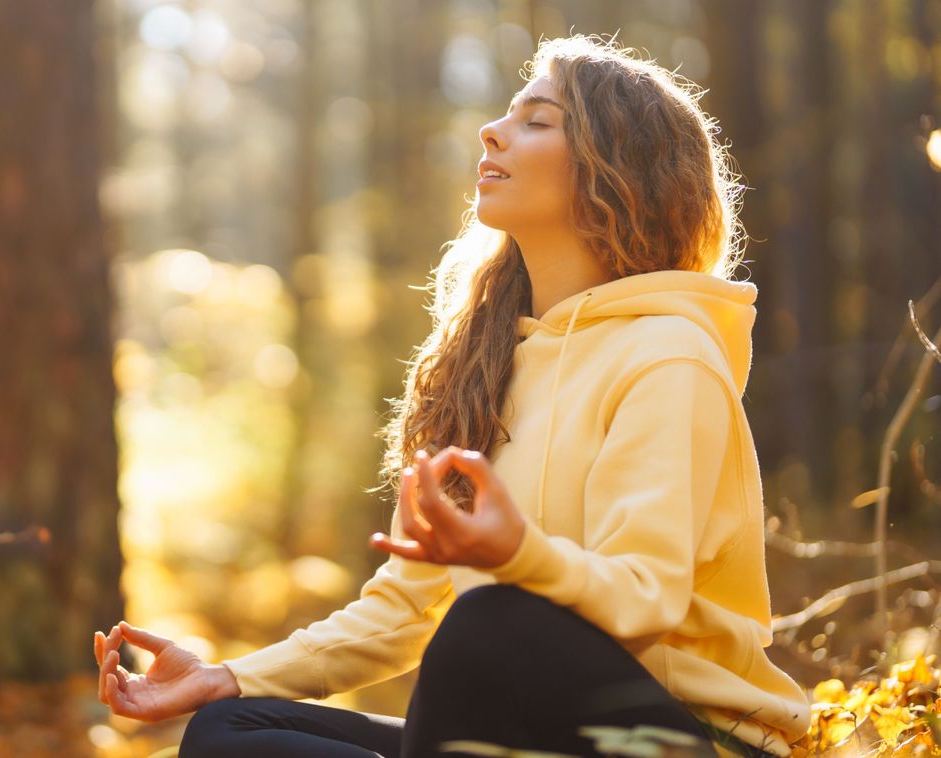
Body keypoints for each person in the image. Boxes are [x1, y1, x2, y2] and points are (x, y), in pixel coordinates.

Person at [93, 34, 812, 757]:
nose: (490, 130)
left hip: (688, 741)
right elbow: (401, 610)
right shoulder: (497, 362)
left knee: (490, 622)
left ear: (614, 172)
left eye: (536, 120)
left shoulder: (669, 356)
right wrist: (223, 676)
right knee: (231, 731)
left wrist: (517, 554)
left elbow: (641, 600)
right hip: (538, 733)